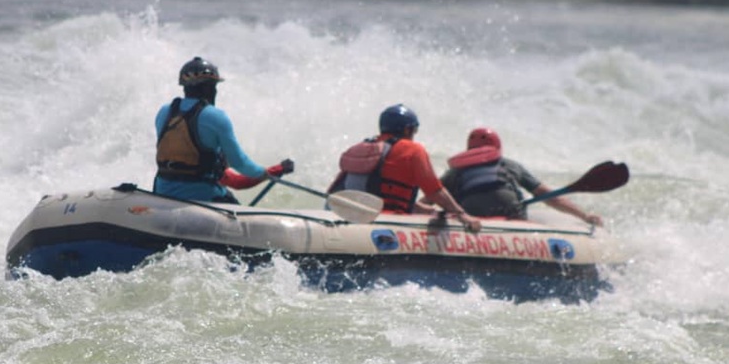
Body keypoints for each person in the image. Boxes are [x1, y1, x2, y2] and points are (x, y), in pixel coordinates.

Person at [154, 57, 292, 203]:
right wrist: (268, 172)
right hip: (202, 197)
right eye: (214, 87)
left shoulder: (164, 112)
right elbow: (240, 164)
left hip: (162, 194)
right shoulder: (215, 117)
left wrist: (277, 170)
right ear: (208, 88)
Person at [328, 104, 482, 232]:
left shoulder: (362, 147)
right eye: (414, 130)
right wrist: (461, 215)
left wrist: (421, 209)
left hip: (348, 217)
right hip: (387, 221)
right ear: (407, 130)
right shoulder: (412, 150)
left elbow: (373, 190)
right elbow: (434, 191)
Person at [441, 127, 604, 226]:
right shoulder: (510, 165)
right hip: (511, 213)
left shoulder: (455, 172)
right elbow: (549, 196)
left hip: (472, 215)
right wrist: (584, 215)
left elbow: (434, 196)